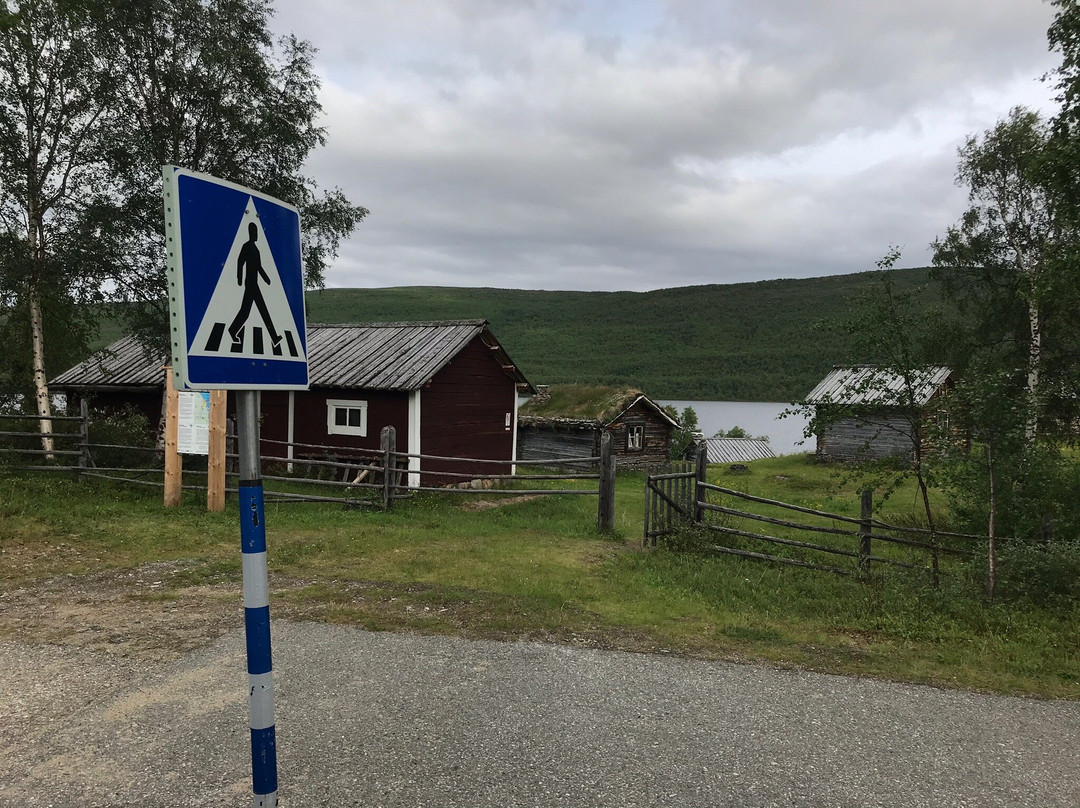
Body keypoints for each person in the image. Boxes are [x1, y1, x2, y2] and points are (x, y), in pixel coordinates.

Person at [228, 222, 282, 348]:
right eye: (254, 232)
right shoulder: (246, 246)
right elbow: (240, 261)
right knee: (258, 311)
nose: (256, 235)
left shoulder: (256, 250)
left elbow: (259, 266)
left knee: (249, 311)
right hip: (250, 283)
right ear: (251, 233)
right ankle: (274, 337)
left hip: (254, 283)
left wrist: (266, 278)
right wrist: (239, 278)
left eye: (256, 232)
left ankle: (233, 330)